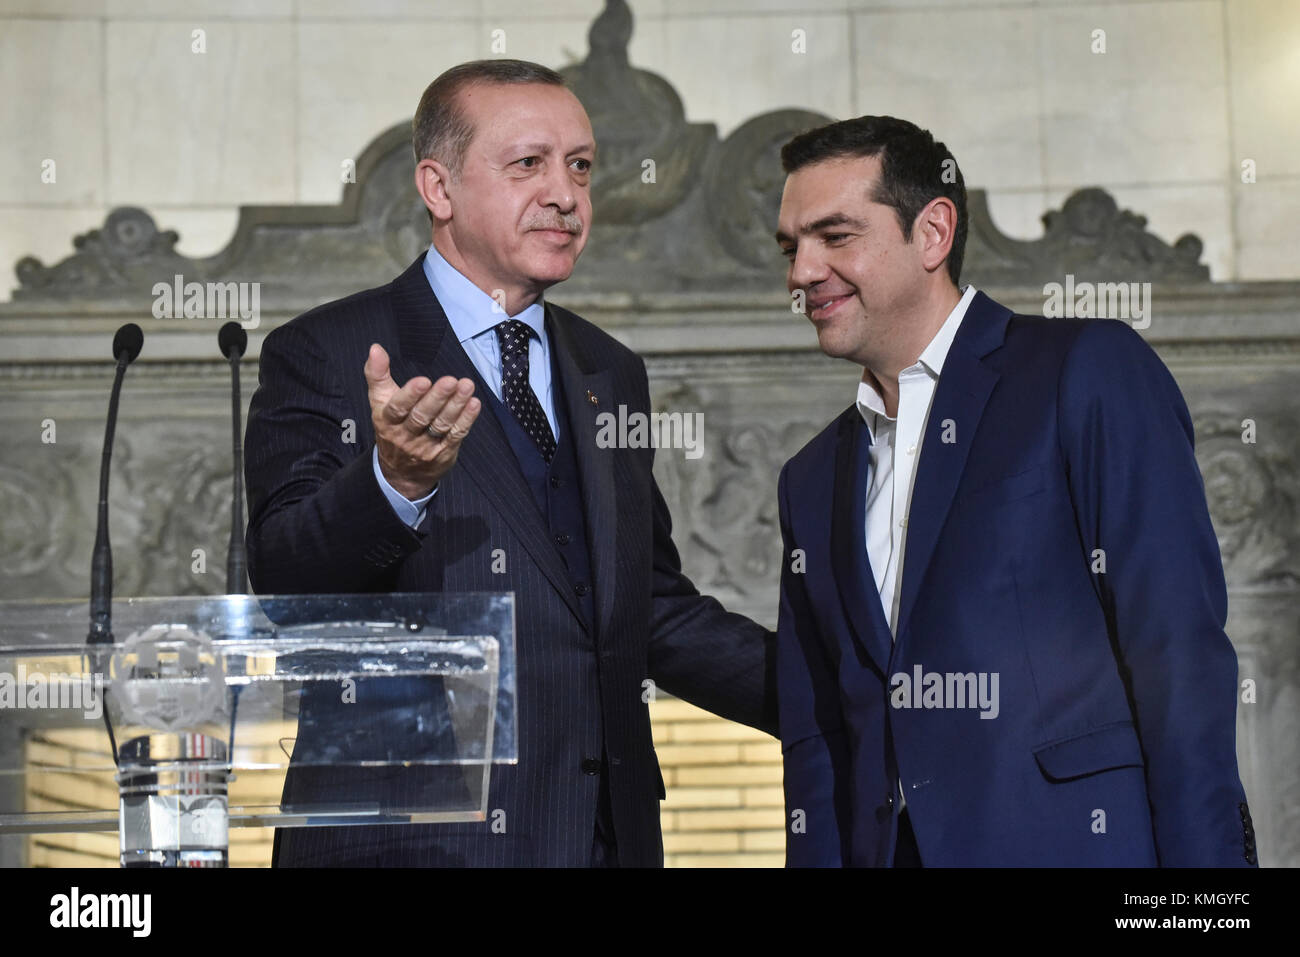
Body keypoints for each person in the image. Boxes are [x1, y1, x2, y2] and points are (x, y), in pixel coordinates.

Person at [244, 59, 775, 867]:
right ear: (439, 187)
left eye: (581, 166)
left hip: (603, 839)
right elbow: (284, 582)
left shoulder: (609, 369)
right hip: (414, 846)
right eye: (528, 164)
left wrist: (841, 693)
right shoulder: (329, 349)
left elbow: (649, 606)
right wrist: (394, 484)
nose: (566, 194)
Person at [772, 115, 1256, 867]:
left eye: (834, 237)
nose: (801, 272)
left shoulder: (1085, 370)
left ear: (933, 232)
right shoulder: (809, 477)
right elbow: (818, 738)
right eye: (791, 246)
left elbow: (1177, 654)